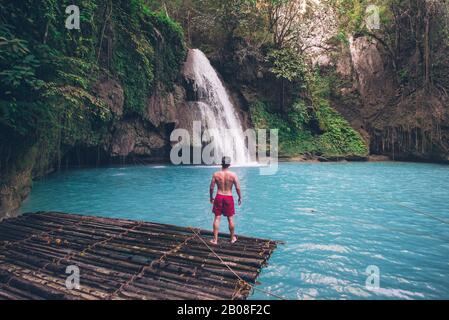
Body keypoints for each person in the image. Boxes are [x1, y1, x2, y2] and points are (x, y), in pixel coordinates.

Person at [209, 156, 242, 245]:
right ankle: (232, 238)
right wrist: (240, 197)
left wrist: (211, 197)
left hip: (219, 196)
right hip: (228, 197)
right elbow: (238, 188)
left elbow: (211, 187)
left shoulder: (216, 174)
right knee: (230, 218)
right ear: (229, 164)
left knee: (217, 218)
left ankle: (215, 240)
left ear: (221, 163)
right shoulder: (233, 175)